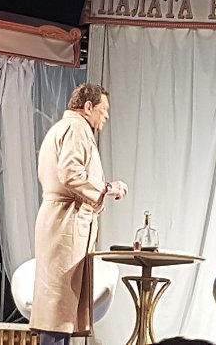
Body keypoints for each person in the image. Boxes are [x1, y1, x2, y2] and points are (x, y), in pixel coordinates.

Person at [29, 83, 128, 345]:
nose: (106, 116)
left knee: (61, 309)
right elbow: (71, 173)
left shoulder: (65, 128)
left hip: (62, 219)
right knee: (58, 309)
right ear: (88, 107)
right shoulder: (76, 128)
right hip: (66, 221)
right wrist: (107, 188)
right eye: (104, 109)